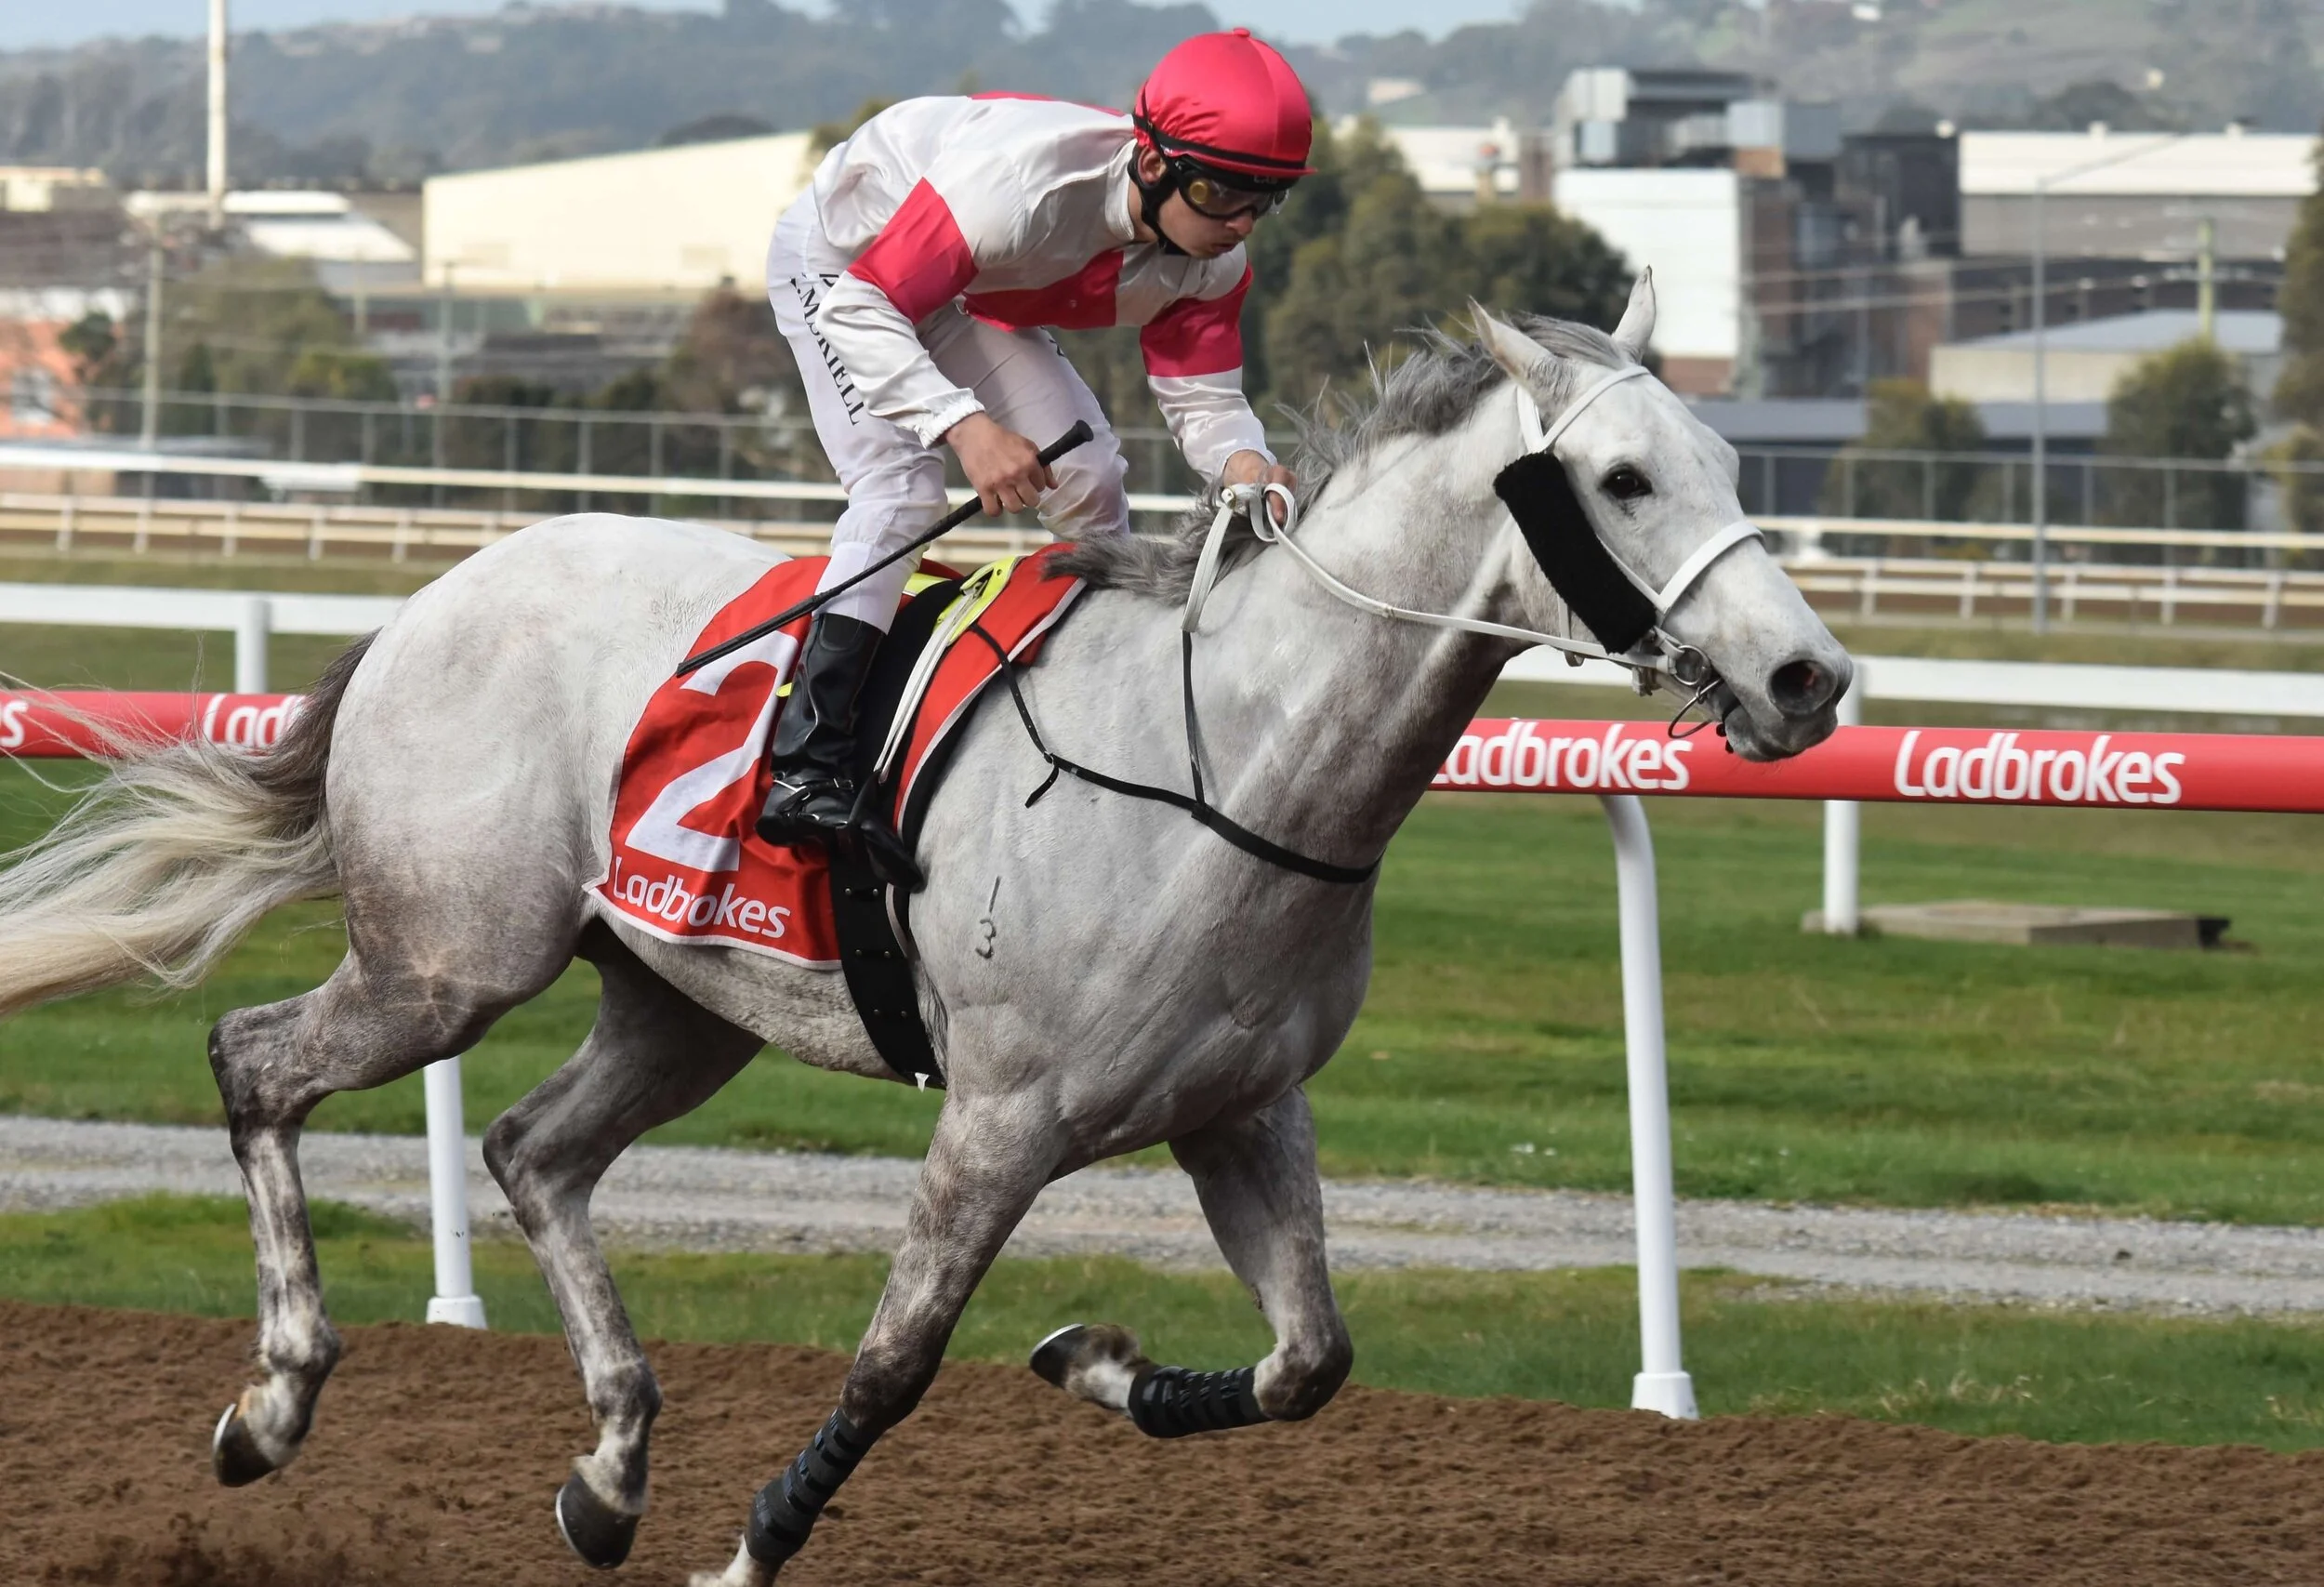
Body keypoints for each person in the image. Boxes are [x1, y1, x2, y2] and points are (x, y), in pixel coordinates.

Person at [757, 27, 1312, 853]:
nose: (1242, 225)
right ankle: (804, 767)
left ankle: (1114, 700)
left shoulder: (1210, 265)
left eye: (1265, 202)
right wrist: (966, 428)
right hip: (845, 268)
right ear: (1154, 164)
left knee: (1087, 476)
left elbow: (1204, 400)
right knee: (904, 493)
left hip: (962, 282)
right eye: (1224, 197)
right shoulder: (1021, 189)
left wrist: (1246, 465)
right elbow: (863, 306)